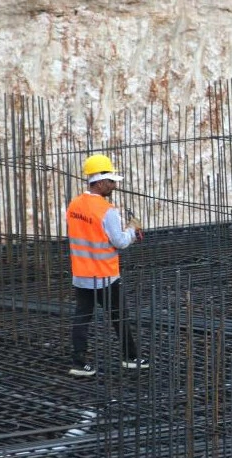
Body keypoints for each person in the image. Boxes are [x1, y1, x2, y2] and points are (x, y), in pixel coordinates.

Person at [66, 154, 147, 377]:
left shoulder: (73, 205)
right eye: (111, 181)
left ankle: (78, 363)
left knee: (82, 318)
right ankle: (130, 358)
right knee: (119, 315)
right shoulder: (107, 210)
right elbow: (119, 242)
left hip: (81, 275)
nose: (114, 185)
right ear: (100, 182)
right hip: (105, 276)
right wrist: (133, 230)